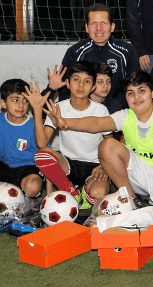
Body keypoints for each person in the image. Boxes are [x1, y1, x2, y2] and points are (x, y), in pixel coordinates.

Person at [44, 71, 153, 217]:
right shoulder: (125, 115)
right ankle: (131, 200)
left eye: (141, 91)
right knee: (107, 145)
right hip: (137, 173)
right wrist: (65, 123)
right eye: (130, 93)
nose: (136, 97)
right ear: (126, 97)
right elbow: (96, 123)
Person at [35, 62, 112, 205]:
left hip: (94, 166)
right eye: (76, 80)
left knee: (96, 195)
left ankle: (85, 189)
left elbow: (110, 142)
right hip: (68, 164)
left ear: (93, 87)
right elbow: (41, 143)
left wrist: (104, 166)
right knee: (42, 154)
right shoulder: (58, 107)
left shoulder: (101, 110)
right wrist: (37, 109)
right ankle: (70, 190)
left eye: (87, 81)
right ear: (68, 84)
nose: (81, 85)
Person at [49, 3, 140, 102]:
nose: (99, 28)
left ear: (112, 26)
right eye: (93, 23)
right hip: (83, 110)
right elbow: (65, 91)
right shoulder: (74, 52)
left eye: (104, 23)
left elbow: (134, 89)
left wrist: (111, 110)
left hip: (116, 111)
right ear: (87, 28)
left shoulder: (128, 51)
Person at [0, 80, 48, 198]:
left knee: (33, 187)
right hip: (4, 169)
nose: (21, 105)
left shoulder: (34, 125)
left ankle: (25, 196)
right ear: (3, 103)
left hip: (29, 170)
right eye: (15, 100)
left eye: (25, 100)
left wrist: (49, 192)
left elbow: (47, 155)